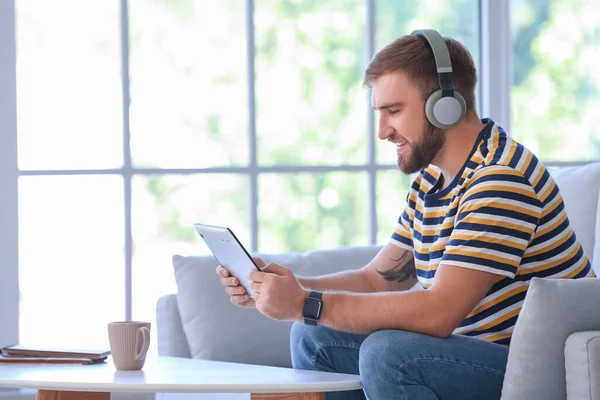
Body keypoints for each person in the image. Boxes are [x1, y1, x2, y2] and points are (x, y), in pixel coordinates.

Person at [216, 29, 594, 400]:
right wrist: (287, 289)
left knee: (391, 355)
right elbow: (377, 279)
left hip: (535, 371)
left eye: (394, 111)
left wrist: (304, 303)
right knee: (313, 334)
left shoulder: (499, 179)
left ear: (446, 105)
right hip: (472, 359)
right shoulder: (434, 179)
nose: (383, 131)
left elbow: (438, 314)